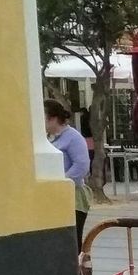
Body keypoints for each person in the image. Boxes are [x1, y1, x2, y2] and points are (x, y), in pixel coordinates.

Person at [45, 98, 91, 251]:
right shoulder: (47, 139)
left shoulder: (73, 137)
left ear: (53, 118)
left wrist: (62, 181)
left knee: (71, 240)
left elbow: (81, 165)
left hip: (73, 195)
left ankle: (77, 265)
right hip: (52, 194)